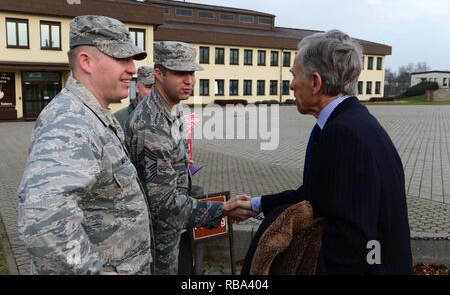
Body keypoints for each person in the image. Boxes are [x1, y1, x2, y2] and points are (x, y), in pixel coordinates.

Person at [241, 29, 413, 274]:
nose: (290, 85)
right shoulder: (351, 121)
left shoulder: (344, 134)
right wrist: (256, 204)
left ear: (315, 82)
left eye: (294, 75)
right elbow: (317, 195)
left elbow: (350, 238)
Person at [17, 15, 153, 275]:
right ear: (86, 62)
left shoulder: (92, 116)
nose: (133, 69)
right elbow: (42, 216)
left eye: (133, 60)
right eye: (122, 58)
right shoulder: (72, 120)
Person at [124, 41, 255, 275]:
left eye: (192, 72)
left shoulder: (171, 110)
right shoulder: (150, 127)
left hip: (173, 231)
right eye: (180, 73)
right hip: (156, 241)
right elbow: (162, 205)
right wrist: (221, 210)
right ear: (159, 74)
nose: (189, 80)